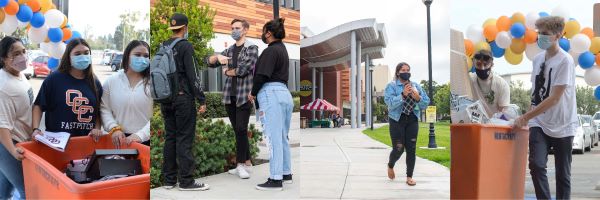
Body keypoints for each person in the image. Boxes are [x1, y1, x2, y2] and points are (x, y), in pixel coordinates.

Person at [514, 16, 577, 200]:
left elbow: (554, 98)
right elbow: (535, 93)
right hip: (540, 122)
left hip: (563, 124)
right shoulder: (537, 59)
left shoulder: (565, 61)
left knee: (563, 174)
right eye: (539, 33)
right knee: (536, 164)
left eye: (545, 34)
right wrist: (529, 116)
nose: (540, 37)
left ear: (558, 35)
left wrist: (525, 117)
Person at [159, 13, 208, 191]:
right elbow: (192, 75)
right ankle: (186, 181)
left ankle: (169, 180)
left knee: (170, 138)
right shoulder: (186, 46)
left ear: (172, 28)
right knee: (184, 139)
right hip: (183, 99)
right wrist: (201, 98)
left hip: (166, 99)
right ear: (185, 27)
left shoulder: (163, 46)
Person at [206, 18, 259, 179]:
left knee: (242, 129)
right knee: (238, 130)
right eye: (232, 28)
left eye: (237, 28)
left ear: (245, 30)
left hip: (244, 95)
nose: (234, 30)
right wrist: (217, 57)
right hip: (230, 95)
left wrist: (227, 71)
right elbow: (208, 62)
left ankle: (241, 164)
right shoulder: (229, 50)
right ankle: (247, 162)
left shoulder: (252, 48)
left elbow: (243, 70)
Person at [248, 18, 294, 191]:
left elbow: (261, 75)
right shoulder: (283, 50)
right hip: (284, 93)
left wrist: (252, 93)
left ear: (268, 33)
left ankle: (275, 179)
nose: (262, 34)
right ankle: (285, 173)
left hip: (270, 93)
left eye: (263, 31)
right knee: (282, 136)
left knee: (273, 137)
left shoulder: (269, 51)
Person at [32, 38, 103, 140]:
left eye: (86, 53)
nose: (82, 56)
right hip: (56, 144)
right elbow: (38, 105)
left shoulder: (95, 82)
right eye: (77, 54)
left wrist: (97, 129)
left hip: (85, 142)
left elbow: (98, 112)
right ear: (68, 57)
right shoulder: (54, 79)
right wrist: (35, 129)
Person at [383, 62, 430, 186]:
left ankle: (409, 177)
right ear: (398, 72)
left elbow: (426, 103)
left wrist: (418, 98)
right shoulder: (391, 86)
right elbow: (390, 104)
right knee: (399, 148)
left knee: (411, 149)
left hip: (412, 120)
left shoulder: (416, 86)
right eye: (403, 70)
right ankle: (390, 165)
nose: (406, 72)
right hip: (397, 120)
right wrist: (402, 95)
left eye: (408, 69)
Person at [101, 40, 152, 148]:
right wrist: (114, 128)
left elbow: (159, 112)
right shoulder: (111, 81)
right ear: (127, 56)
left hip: (146, 142)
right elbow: (104, 108)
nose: (142, 59)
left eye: (146, 56)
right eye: (137, 55)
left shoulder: (155, 82)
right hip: (117, 140)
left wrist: (140, 135)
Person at [0, 36, 32, 200]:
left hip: (17, 141)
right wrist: (12, 151)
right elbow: (1, 124)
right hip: (8, 144)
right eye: (16, 54)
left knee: (4, 191)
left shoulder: (19, 76)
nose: (22, 56)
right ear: (4, 59)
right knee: (28, 191)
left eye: (23, 51)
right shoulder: (3, 85)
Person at [468, 49, 510, 117]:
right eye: (478, 64)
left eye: (485, 64)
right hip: (473, 124)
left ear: (492, 64)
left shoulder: (502, 84)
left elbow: (503, 112)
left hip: (493, 125)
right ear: (473, 63)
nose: (482, 68)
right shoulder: (469, 79)